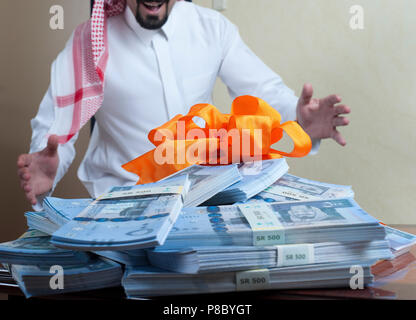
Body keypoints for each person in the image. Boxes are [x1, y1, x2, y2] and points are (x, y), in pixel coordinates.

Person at [17, 0, 350, 207]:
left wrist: (300, 119)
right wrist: (50, 166)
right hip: (121, 207)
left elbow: (262, 91)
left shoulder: (213, 29)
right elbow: (55, 130)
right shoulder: (88, 41)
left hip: (209, 201)